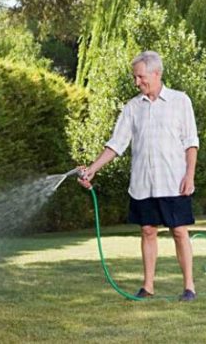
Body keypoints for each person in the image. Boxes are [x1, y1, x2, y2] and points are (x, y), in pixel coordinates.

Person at [78, 50, 199, 302]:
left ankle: (189, 287)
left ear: (157, 74)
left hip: (173, 181)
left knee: (179, 231)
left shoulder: (180, 101)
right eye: (135, 77)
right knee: (147, 231)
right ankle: (148, 286)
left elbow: (191, 143)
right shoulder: (133, 108)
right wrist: (92, 168)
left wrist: (190, 175)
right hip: (143, 184)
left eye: (141, 76)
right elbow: (116, 144)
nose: (137, 82)